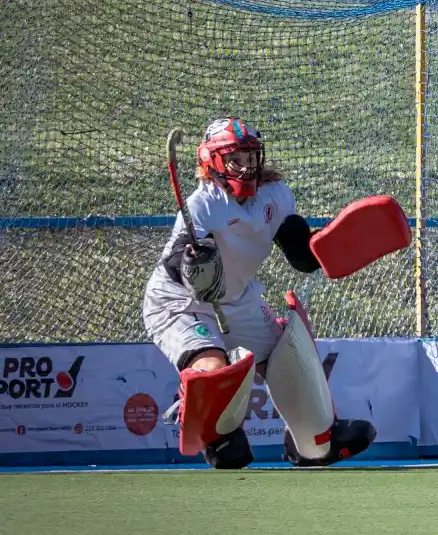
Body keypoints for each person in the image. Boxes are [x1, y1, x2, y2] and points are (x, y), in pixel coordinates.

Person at [142, 118, 375, 469]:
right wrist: (196, 262)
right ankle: (213, 430)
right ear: (213, 163)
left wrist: (322, 250)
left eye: (251, 157)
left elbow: (298, 251)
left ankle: (315, 441)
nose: (247, 166)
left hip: (239, 301)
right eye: (235, 159)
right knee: (212, 367)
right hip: (181, 304)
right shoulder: (202, 204)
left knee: (290, 355)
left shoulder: (275, 194)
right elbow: (179, 265)